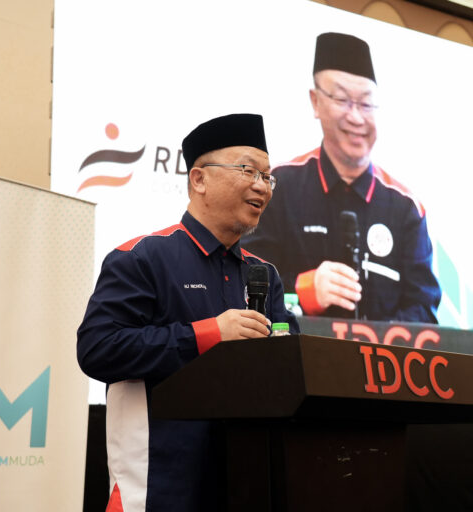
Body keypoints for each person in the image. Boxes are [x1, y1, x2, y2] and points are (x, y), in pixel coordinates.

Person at [77, 113, 299, 512]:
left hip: (245, 484)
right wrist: (209, 334)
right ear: (199, 180)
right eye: (248, 170)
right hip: (158, 487)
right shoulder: (142, 258)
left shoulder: (263, 275)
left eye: (268, 177)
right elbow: (98, 348)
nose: (261, 186)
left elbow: (289, 366)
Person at [243, 32, 441, 323]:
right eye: (342, 100)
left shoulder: (406, 208)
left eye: (366, 104)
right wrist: (303, 291)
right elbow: (243, 286)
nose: (356, 118)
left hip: (375, 354)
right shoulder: (277, 187)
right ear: (315, 102)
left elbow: (424, 310)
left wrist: (377, 338)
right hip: (292, 351)